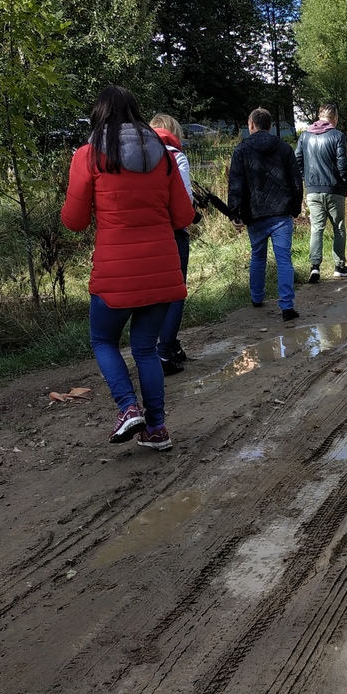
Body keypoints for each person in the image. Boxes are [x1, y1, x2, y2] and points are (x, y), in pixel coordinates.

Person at [61, 85, 195, 451]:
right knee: (146, 349)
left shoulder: (89, 155)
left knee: (103, 340)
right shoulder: (164, 156)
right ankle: (157, 428)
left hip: (115, 272)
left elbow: (74, 221)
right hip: (162, 269)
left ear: (98, 115)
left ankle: (127, 407)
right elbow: (183, 216)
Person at [226, 108, 303, 321]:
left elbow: (235, 184)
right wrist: (296, 208)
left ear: (251, 125)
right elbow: (296, 181)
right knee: (284, 259)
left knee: (258, 256)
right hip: (281, 212)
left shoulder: (241, 150)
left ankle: (257, 298)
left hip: (255, 213)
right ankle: (287, 306)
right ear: (270, 126)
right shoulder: (284, 148)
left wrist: (234, 212)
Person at [148, 113, 195, 374]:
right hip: (173, 232)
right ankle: (164, 352)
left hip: (144, 233)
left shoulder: (138, 156)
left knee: (152, 294)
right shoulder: (176, 157)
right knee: (175, 293)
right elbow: (186, 200)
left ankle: (170, 344)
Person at [295, 103, 347, 282]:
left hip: (313, 190)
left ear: (319, 116)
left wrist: (306, 179)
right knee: (339, 228)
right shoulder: (337, 136)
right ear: (334, 118)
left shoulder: (305, 136)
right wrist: (346, 183)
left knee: (316, 229)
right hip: (334, 189)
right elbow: (342, 163)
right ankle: (339, 266)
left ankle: (315, 267)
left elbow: (297, 160)